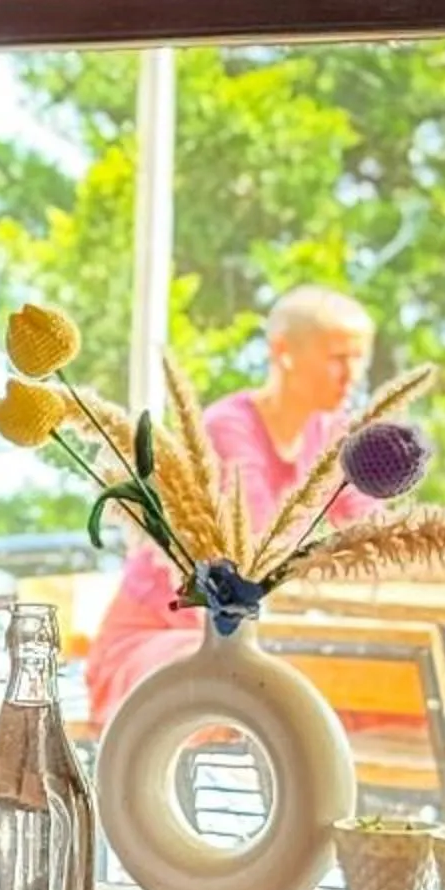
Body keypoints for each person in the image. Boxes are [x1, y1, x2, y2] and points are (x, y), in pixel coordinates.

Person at [85, 285, 377, 725]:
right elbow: (253, 559)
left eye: (359, 358)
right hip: (159, 644)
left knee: (377, 695)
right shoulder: (227, 431)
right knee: (272, 691)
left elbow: (369, 530)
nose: (351, 373)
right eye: (338, 357)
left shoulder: (332, 434)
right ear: (284, 352)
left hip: (239, 646)